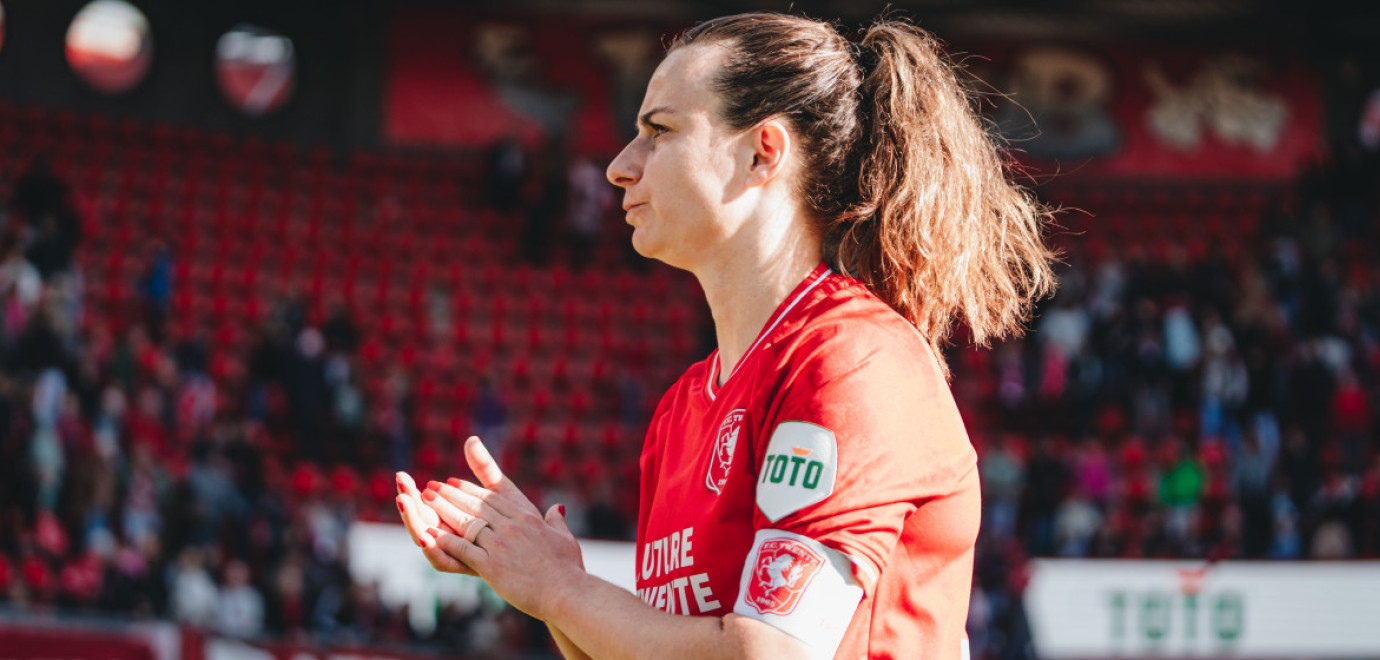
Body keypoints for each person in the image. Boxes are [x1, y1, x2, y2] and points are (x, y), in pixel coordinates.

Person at [396, 12, 1055, 659]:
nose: (620, 166)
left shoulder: (849, 360)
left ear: (762, 152)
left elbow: (772, 654)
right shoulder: (682, 406)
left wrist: (561, 588)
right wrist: (542, 580)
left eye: (659, 131)